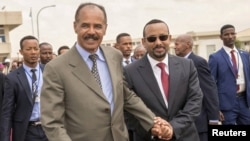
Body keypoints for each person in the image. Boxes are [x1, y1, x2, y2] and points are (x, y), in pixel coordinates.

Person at [40, 2, 172, 141]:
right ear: (75, 26)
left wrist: (154, 122)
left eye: (97, 26)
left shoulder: (114, 56)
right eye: (85, 25)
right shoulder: (56, 68)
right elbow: (52, 123)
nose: (91, 31)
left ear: (105, 29)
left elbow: (126, 96)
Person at [124, 19, 203, 141]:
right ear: (143, 42)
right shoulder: (129, 71)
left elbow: (195, 101)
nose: (158, 42)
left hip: (185, 136)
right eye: (152, 39)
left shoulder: (187, 65)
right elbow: (128, 112)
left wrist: (173, 127)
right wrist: (152, 129)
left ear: (169, 38)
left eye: (163, 37)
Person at [0, 35, 47, 141]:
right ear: (21, 52)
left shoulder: (49, 71)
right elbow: (7, 111)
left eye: (36, 48)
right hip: (27, 131)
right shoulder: (12, 78)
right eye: (29, 49)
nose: (33, 52)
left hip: (49, 128)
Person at [174, 34, 220, 141]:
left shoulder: (198, 62)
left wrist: (213, 118)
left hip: (199, 122)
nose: (174, 47)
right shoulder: (176, 63)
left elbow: (209, 90)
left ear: (188, 45)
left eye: (177, 44)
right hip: (183, 122)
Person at [208, 24, 250, 125]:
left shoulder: (245, 55)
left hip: (245, 102)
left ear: (235, 35)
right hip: (226, 104)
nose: (230, 36)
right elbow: (211, 84)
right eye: (226, 34)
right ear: (221, 37)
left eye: (232, 33)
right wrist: (216, 108)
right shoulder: (215, 57)